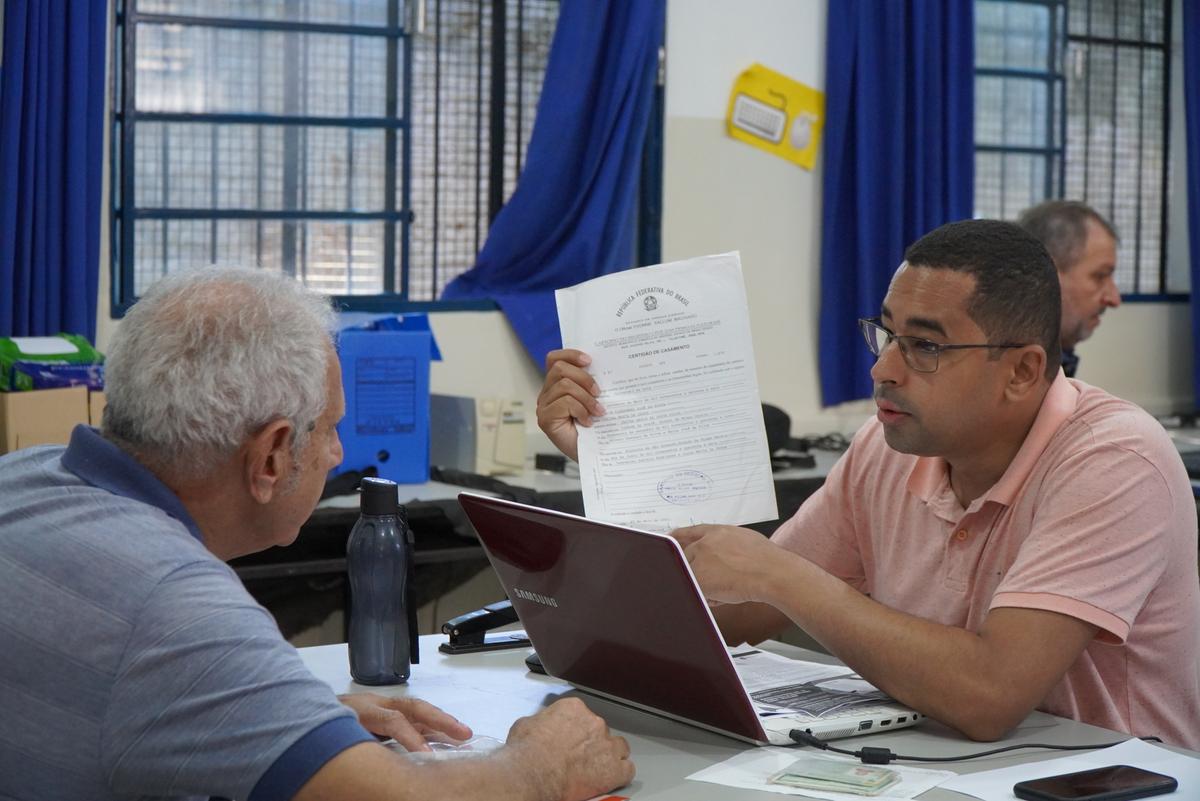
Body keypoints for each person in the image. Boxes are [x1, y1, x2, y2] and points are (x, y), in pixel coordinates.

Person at [537, 220, 1200, 748]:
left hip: (1114, 777)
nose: (884, 367)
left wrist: (781, 575)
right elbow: (734, 610)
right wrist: (616, 466)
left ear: (1023, 371)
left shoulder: (1115, 457)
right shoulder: (886, 449)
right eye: (886, 331)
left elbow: (990, 694)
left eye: (926, 345)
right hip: (953, 771)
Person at [0, 268, 634, 801]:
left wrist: (271, 720)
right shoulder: (171, 604)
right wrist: (539, 767)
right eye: (330, 427)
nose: (337, 453)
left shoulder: (22, 477)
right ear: (273, 456)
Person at [1017, 200, 1121, 377]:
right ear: (1045, 275)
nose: (1114, 299)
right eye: (1100, 276)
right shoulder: (997, 379)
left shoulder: (1051, 362)